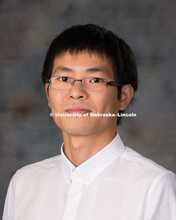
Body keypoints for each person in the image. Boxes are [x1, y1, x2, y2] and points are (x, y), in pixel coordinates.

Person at [3, 24, 176, 220]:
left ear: (124, 96)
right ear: (48, 94)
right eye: (64, 78)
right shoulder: (24, 183)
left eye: (94, 80)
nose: (76, 92)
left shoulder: (154, 186)